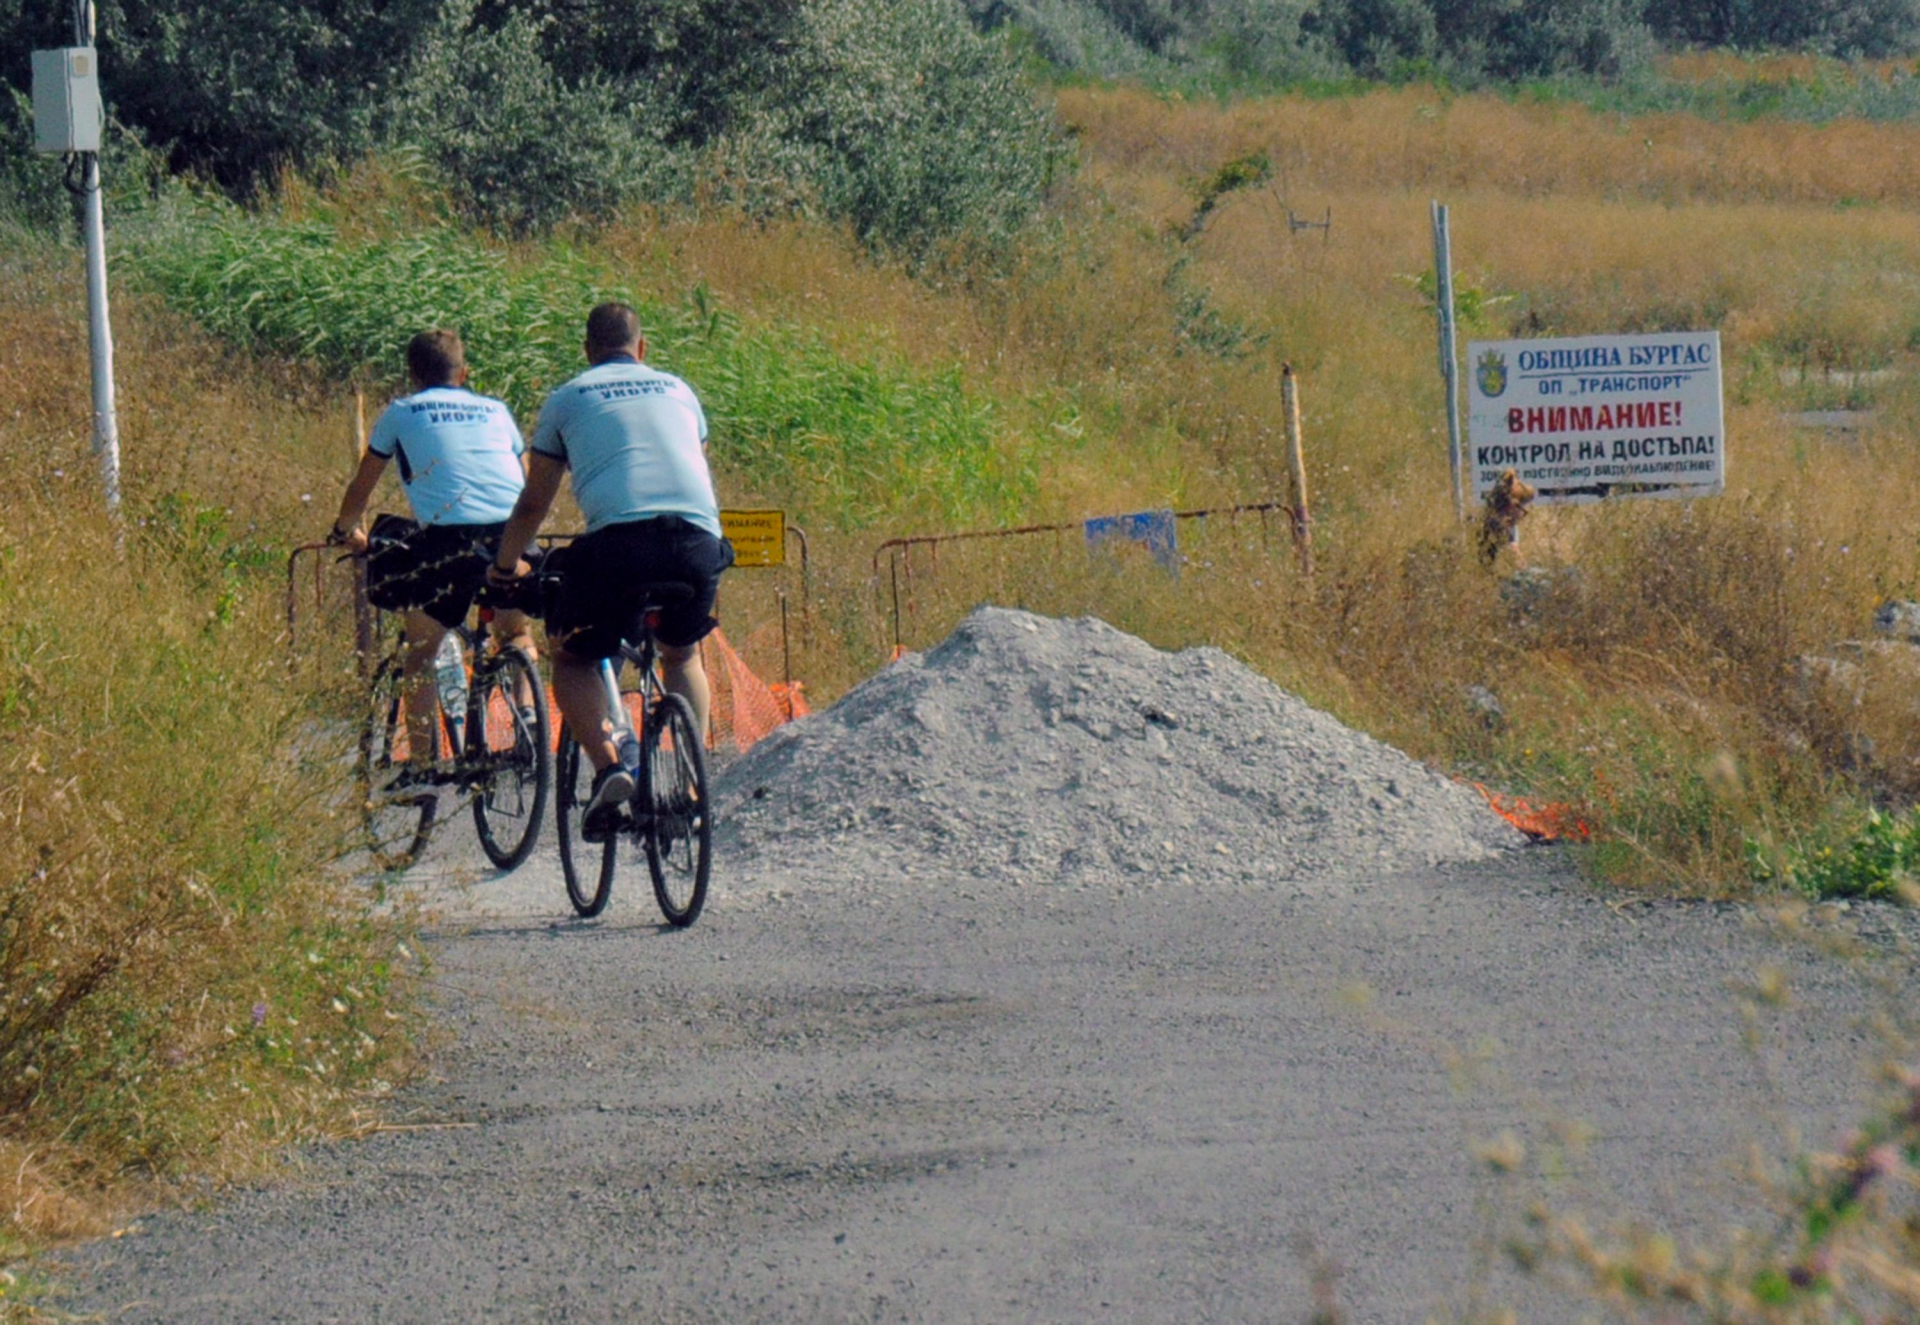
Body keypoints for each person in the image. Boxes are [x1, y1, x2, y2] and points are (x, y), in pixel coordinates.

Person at [487, 302, 731, 839]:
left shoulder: (568, 398)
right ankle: (691, 788)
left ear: (587, 351)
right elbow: (693, 462)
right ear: (642, 349)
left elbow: (533, 505)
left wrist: (505, 566)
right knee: (682, 652)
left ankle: (610, 769)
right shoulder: (679, 390)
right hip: (697, 539)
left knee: (572, 658)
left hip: (620, 548)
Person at [328, 328, 537, 782]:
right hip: (513, 531)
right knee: (516, 630)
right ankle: (529, 722)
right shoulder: (497, 410)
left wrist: (346, 529)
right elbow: (526, 478)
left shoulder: (402, 411)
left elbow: (363, 483)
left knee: (422, 651)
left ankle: (423, 767)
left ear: (412, 374)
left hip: (449, 540)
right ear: (464, 373)